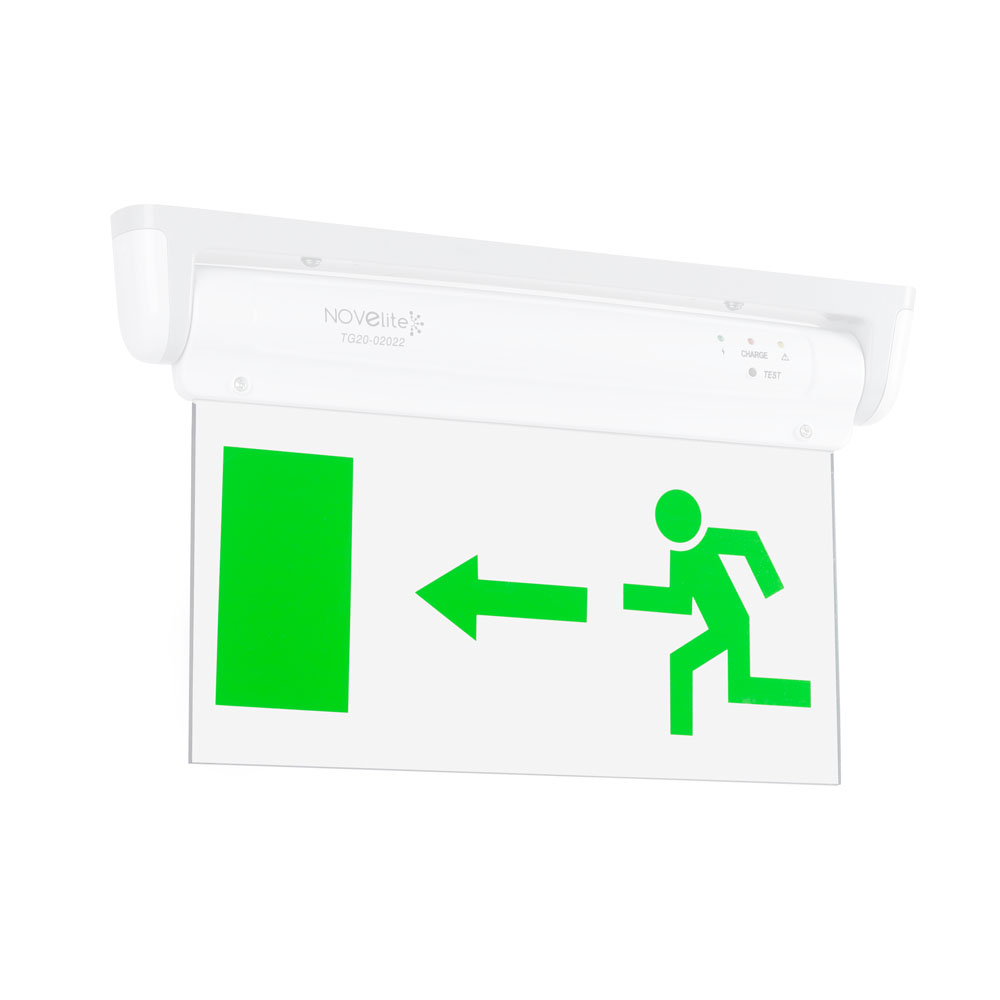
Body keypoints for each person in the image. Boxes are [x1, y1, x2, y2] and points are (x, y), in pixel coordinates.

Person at [624, 489, 811, 735]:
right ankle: (803, 693)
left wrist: (771, 587)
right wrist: (630, 595)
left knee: (684, 665)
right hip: (726, 626)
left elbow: (750, 544)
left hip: (732, 625)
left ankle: (681, 731)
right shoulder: (679, 558)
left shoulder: (711, 538)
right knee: (740, 686)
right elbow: (678, 602)